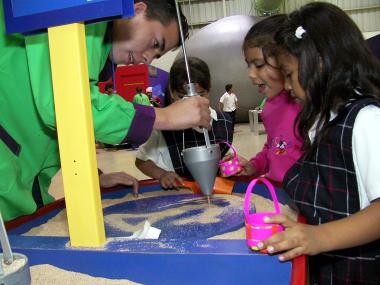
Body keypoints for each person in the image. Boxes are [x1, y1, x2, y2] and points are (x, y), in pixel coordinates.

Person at [0, 0, 212, 222]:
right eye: (155, 43)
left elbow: (62, 131)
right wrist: (166, 116)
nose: (148, 58)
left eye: (157, 56)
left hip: (23, 179)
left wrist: (94, 176)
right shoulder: (83, 14)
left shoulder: (97, 52)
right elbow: (63, 103)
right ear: (137, 10)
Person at [258, 3, 380, 284]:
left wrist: (318, 237)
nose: (287, 87)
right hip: (326, 269)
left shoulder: (367, 122)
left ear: (321, 62)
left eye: (289, 74)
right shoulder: (319, 121)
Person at [227, 15, 303, 183]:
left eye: (259, 65)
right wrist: (255, 166)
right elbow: (274, 146)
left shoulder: (305, 106)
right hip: (276, 192)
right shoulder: (270, 107)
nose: (251, 74)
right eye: (249, 65)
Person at [135, 57, 233, 189]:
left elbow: (226, 158)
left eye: (199, 94)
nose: (191, 103)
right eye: (183, 97)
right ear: (172, 92)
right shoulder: (162, 126)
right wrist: (162, 174)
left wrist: (231, 163)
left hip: (216, 193)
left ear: (208, 90)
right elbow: (141, 161)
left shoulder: (224, 122)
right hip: (178, 194)